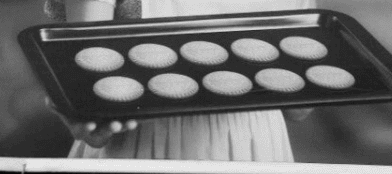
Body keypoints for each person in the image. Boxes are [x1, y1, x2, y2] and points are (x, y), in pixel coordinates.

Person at [55, 0, 314, 161]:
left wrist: (88, 116)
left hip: (140, 146)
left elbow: (85, 78)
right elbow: (300, 106)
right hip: (254, 147)